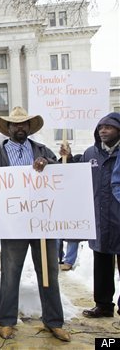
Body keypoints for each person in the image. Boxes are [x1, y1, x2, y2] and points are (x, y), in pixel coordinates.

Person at [0, 106, 70, 342]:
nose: (20, 127)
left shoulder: (43, 150)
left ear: (29, 127)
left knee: (49, 272)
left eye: (24, 124)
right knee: (11, 273)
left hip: (43, 221)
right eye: (16, 124)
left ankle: (54, 321)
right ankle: (6, 321)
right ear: (9, 128)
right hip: (14, 223)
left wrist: (53, 162)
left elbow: (61, 176)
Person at [78, 112, 120, 318]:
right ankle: (103, 305)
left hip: (119, 218)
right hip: (100, 220)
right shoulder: (90, 153)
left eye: (109, 127)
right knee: (101, 264)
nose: (103, 130)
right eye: (100, 127)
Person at [56, 151, 83, 271]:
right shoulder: (59, 166)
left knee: (72, 236)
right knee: (57, 234)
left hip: (75, 204)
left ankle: (68, 261)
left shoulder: (80, 169)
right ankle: (59, 258)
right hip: (61, 203)